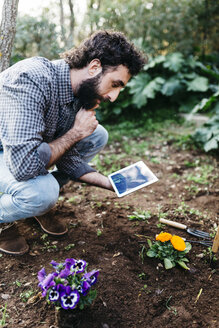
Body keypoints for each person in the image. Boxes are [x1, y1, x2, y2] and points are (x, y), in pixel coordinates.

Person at [0, 30, 146, 255]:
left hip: (22, 154)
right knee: (42, 194)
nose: (113, 96)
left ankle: (33, 206)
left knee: (97, 134)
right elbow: (23, 166)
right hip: (7, 152)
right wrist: (76, 133)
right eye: (114, 84)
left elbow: (65, 153)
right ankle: (11, 213)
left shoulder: (79, 93)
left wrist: (109, 183)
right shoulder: (30, 79)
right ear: (94, 67)